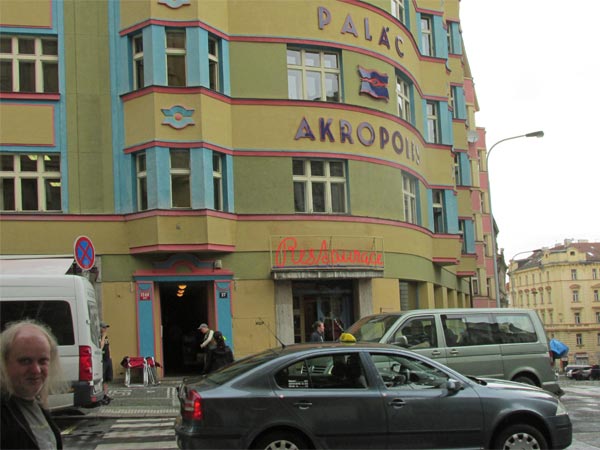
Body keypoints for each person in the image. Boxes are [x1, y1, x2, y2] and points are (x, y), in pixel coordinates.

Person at [0, 320, 64, 449]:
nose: (36, 370)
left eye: (42, 361)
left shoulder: (35, 405)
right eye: (25, 361)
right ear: (4, 362)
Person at [100, 321, 113, 404]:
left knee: (107, 379)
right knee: (102, 378)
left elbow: (108, 346)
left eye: (106, 327)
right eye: (104, 327)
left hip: (108, 359)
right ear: (100, 328)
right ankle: (101, 396)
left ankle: (105, 394)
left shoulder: (106, 337)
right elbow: (100, 347)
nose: (105, 329)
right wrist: (103, 337)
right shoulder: (99, 337)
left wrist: (110, 355)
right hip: (102, 360)